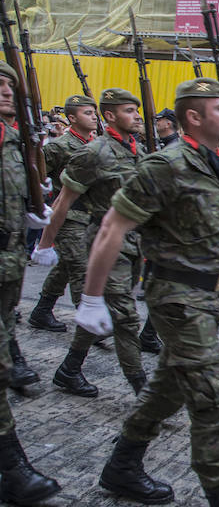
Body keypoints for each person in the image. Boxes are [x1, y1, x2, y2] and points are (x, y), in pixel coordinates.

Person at [83, 78, 219, 506]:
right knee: (214, 398)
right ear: (193, 116)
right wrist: (91, 297)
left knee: (168, 389)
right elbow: (112, 227)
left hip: (210, 298)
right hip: (177, 299)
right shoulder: (165, 164)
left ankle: (122, 466)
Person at [35, 88, 148, 398]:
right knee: (126, 316)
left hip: (133, 244)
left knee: (112, 311)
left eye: (137, 110)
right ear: (109, 115)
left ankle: (69, 370)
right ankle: (144, 389)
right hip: (103, 241)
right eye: (129, 110)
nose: (137, 115)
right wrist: (45, 243)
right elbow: (62, 201)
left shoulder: (138, 151)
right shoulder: (94, 152)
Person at [0, 60, 61, 505]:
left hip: (8, 255)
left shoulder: (15, 141)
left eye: (9, 85)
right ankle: (11, 467)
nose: (5, 90)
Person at [29, 94, 98, 333]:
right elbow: (37, 177)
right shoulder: (60, 146)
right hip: (67, 214)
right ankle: (88, 325)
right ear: (71, 117)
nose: (94, 117)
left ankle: (41, 311)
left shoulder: (95, 143)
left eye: (94, 112)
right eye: (87, 113)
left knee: (67, 266)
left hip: (88, 215)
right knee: (81, 267)